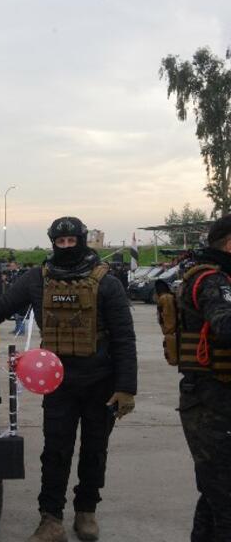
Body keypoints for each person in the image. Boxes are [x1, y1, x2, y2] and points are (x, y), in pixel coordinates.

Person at [0, 217, 137, 542]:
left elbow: (124, 336)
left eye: (71, 242)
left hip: (100, 383)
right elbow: (1, 308)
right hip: (59, 383)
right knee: (55, 451)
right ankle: (50, 520)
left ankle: (86, 511)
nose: (65, 248)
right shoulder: (38, 279)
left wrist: (126, 387)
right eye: (59, 243)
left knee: (94, 450)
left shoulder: (107, 283)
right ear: (53, 244)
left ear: (81, 240)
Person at [171, 214, 231, 540]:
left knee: (214, 495)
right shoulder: (212, 281)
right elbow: (225, 326)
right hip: (211, 402)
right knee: (224, 497)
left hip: (215, 398)